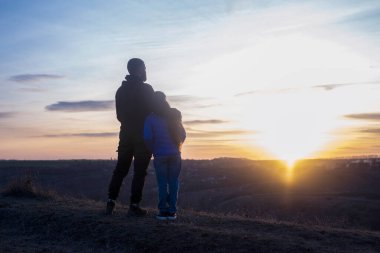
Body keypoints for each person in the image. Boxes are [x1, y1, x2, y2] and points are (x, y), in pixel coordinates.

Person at [106, 58, 154, 216]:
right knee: (140, 171)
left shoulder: (120, 90)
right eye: (145, 68)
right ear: (139, 69)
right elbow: (153, 112)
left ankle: (110, 202)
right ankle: (134, 206)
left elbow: (119, 116)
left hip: (126, 134)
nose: (146, 70)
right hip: (142, 135)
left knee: (120, 169)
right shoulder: (146, 89)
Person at [143, 91, 186, 220]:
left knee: (162, 182)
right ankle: (172, 211)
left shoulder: (150, 118)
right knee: (173, 182)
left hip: (159, 155)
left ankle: (162, 211)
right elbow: (183, 134)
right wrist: (177, 146)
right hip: (175, 154)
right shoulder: (174, 115)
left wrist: (154, 150)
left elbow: (147, 137)